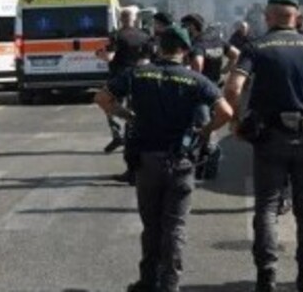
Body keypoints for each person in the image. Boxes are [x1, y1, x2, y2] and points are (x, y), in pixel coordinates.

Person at [95, 27, 234, 292]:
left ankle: (148, 281)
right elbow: (226, 112)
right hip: (180, 161)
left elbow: (102, 98)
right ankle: (170, 284)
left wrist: (128, 116)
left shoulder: (136, 74)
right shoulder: (195, 79)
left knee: (151, 225)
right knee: (175, 226)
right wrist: (203, 132)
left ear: (160, 46)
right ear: (184, 50)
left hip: (146, 159)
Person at [224, 0, 303, 292]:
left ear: (268, 16)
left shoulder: (257, 46)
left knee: (266, 208)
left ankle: (267, 279)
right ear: (296, 16)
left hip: (270, 136)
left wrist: (236, 122)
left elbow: (233, 89)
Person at [103, 8, 153, 186]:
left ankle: (117, 132)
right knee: (134, 112)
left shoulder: (116, 35)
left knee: (109, 105)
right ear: (135, 19)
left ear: (121, 19)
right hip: (139, 78)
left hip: (119, 79)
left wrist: (99, 54)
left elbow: (109, 56)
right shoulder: (145, 35)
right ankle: (130, 129)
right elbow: (147, 60)